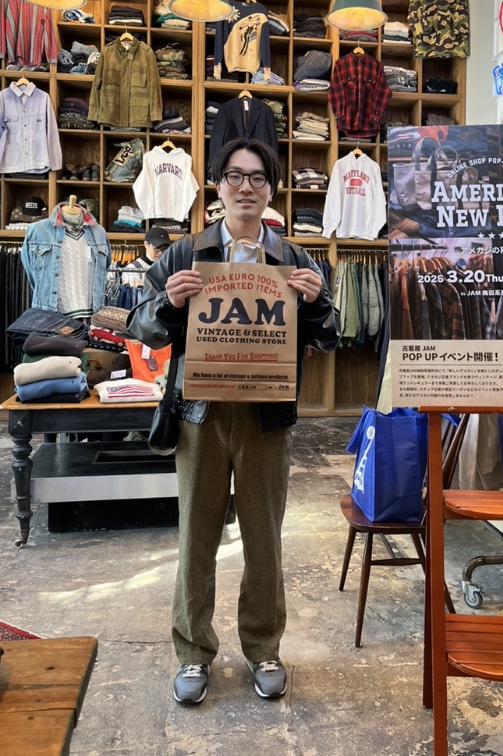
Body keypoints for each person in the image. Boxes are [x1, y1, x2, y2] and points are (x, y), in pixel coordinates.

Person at [127, 138, 340, 705]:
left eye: (258, 177)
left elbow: (331, 334)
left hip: (266, 417)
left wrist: (318, 303)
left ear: (271, 189)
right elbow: (138, 325)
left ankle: (264, 647)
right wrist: (168, 303)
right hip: (199, 415)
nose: (246, 187)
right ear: (218, 186)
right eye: (235, 176)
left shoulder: (294, 258)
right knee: (196, 536)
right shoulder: (184, 253)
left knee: (264, 540)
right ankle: (193, 653)